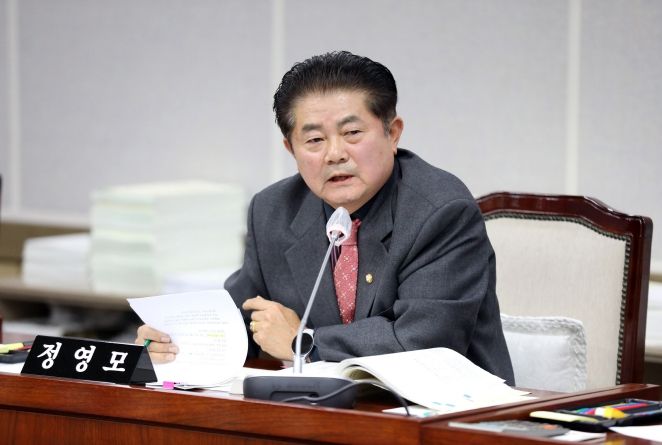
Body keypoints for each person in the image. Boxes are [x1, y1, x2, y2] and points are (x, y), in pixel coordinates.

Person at [137, 51, 514, 385]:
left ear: (393, 133)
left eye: (352, 133)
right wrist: (178, 341)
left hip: (445, 413)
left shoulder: (439, 210)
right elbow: (245, 321)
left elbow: (425, 341)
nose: (335, 154)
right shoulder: (273, 210)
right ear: (291, 148)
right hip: (322, 410)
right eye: (314, 140)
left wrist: (304, 342)